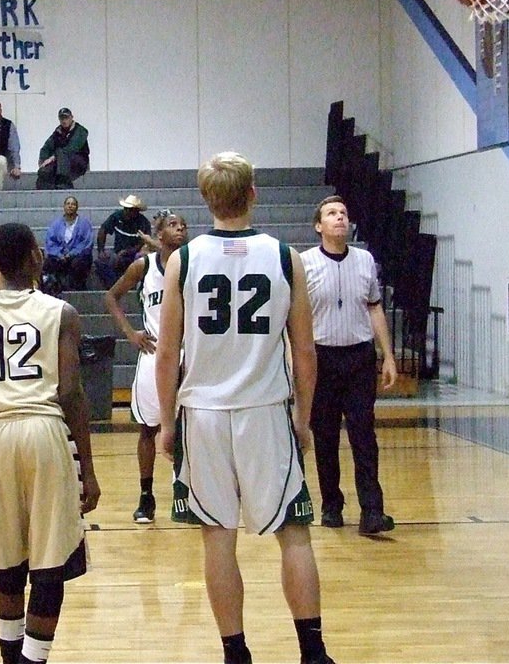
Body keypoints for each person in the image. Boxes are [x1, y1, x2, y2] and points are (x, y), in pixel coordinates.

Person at [154, 151, 332, 664]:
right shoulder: (284, 257)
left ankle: (236, 653)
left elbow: (168, 353)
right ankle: (313, 652)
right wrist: (302, 420)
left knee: (218, 536)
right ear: (253, 193)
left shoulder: (182, 260)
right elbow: (304, 351)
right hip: (266, 408)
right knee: (293, 534)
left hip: (204, 414)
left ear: (206, 199)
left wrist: (167, 422)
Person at [0, 222, 100, 664]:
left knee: (8, 562)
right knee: (50, 563)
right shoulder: (61, 312)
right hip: (45, 431)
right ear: (37, 256)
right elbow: (72, 393)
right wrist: (87, 469)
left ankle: (10, 659)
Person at [301, 196, 398, 536]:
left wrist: (387, 354)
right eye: (331, 213)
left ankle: (372, 510)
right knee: (325, 435)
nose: (340, 218)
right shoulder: (304, 263)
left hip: (358, 356)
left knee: (363, 434)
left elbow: (374, 308)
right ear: (319, 225)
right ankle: (331, 504)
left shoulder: (365, 260)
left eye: (343, 212)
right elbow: (295, 318)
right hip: (321, 358)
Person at [103, 209, 188, 524]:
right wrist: (130, 333)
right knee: (148, 429)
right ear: (160, 233)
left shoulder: (194, 266)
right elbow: (111, 298)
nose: (180, 229)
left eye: (183, 225)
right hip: (154, 354)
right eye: (173, 225)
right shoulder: (144, 266)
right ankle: (146, 495)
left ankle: (185, 491)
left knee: (190, 429)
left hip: (187, 354)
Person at [95, 194, 151, 289]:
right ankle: (114, 286)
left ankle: (126, 286)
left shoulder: (143, 222)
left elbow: (143, 243)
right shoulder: (116, 216)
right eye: (126, 208)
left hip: (135, 254)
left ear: (136, 211)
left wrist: (127, 252)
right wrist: (101, 250)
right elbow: (103, 230)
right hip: (117, 252)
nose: (127, 211)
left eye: (130, 209)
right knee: (100, 262)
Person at [41, 196, 94, 294]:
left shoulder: (84, 224)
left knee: (80, 262)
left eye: (73, 204)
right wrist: (59, 254)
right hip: (60, 256)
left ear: (77, 207)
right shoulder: (56, 224)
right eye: (68, 204)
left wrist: (71, 254)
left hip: (78, 256)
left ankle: (75, 288)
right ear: (64, 206)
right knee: (50, 262)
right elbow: (50, 242)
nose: (70, 206)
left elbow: (86, 243)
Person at [35, 108, 90, 190]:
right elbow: (47, 147)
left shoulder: (80, 130)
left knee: (61, 152)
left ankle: (64, 183)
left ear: (72, 117)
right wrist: (43, 160)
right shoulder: (58, 131)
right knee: (44, 172)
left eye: (66, 118)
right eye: (61, 118)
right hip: (61, 162)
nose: (64, 121)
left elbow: (71, 148)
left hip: (78, 162)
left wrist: (52, 158)